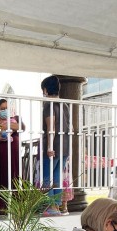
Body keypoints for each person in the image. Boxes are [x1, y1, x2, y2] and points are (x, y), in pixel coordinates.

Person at [40, 75, 72, 216]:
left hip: (53, 145)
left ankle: (51, 206)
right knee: (58, 175)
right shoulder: (64, 105)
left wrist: (49, 147)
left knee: (47, 176)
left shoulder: (49, 105)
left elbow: (50, 127)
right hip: (65, 145)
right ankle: (57, 206)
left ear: (45, 90)